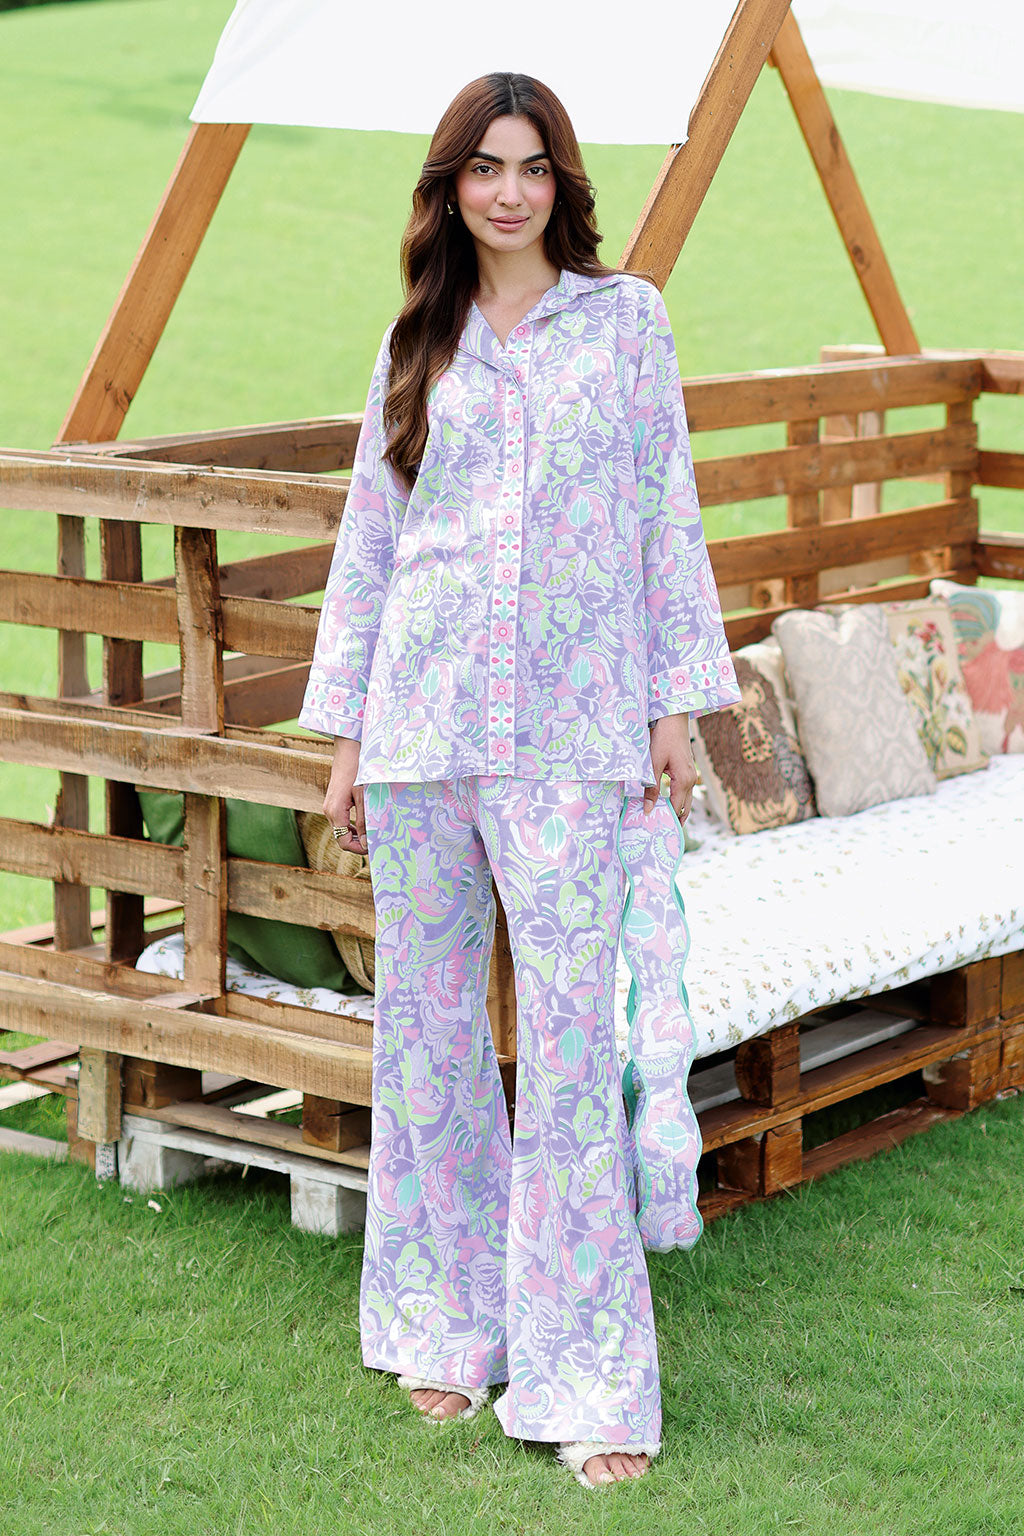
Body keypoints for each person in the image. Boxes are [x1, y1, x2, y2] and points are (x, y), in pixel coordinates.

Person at [299, 71, 739, 1489]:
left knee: (564, 1050)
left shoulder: (627, 324)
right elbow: (373, 543)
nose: (508, 191)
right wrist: (347, 739)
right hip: (421, 733)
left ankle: (589, 1376)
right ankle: (447, 1323)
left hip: (574, 736)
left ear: (563, 183)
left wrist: (674, 708)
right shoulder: (414, 341)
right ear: (449, 189)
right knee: (426, 1041)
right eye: (483, 169)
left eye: (531, 166)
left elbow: (666, 518)